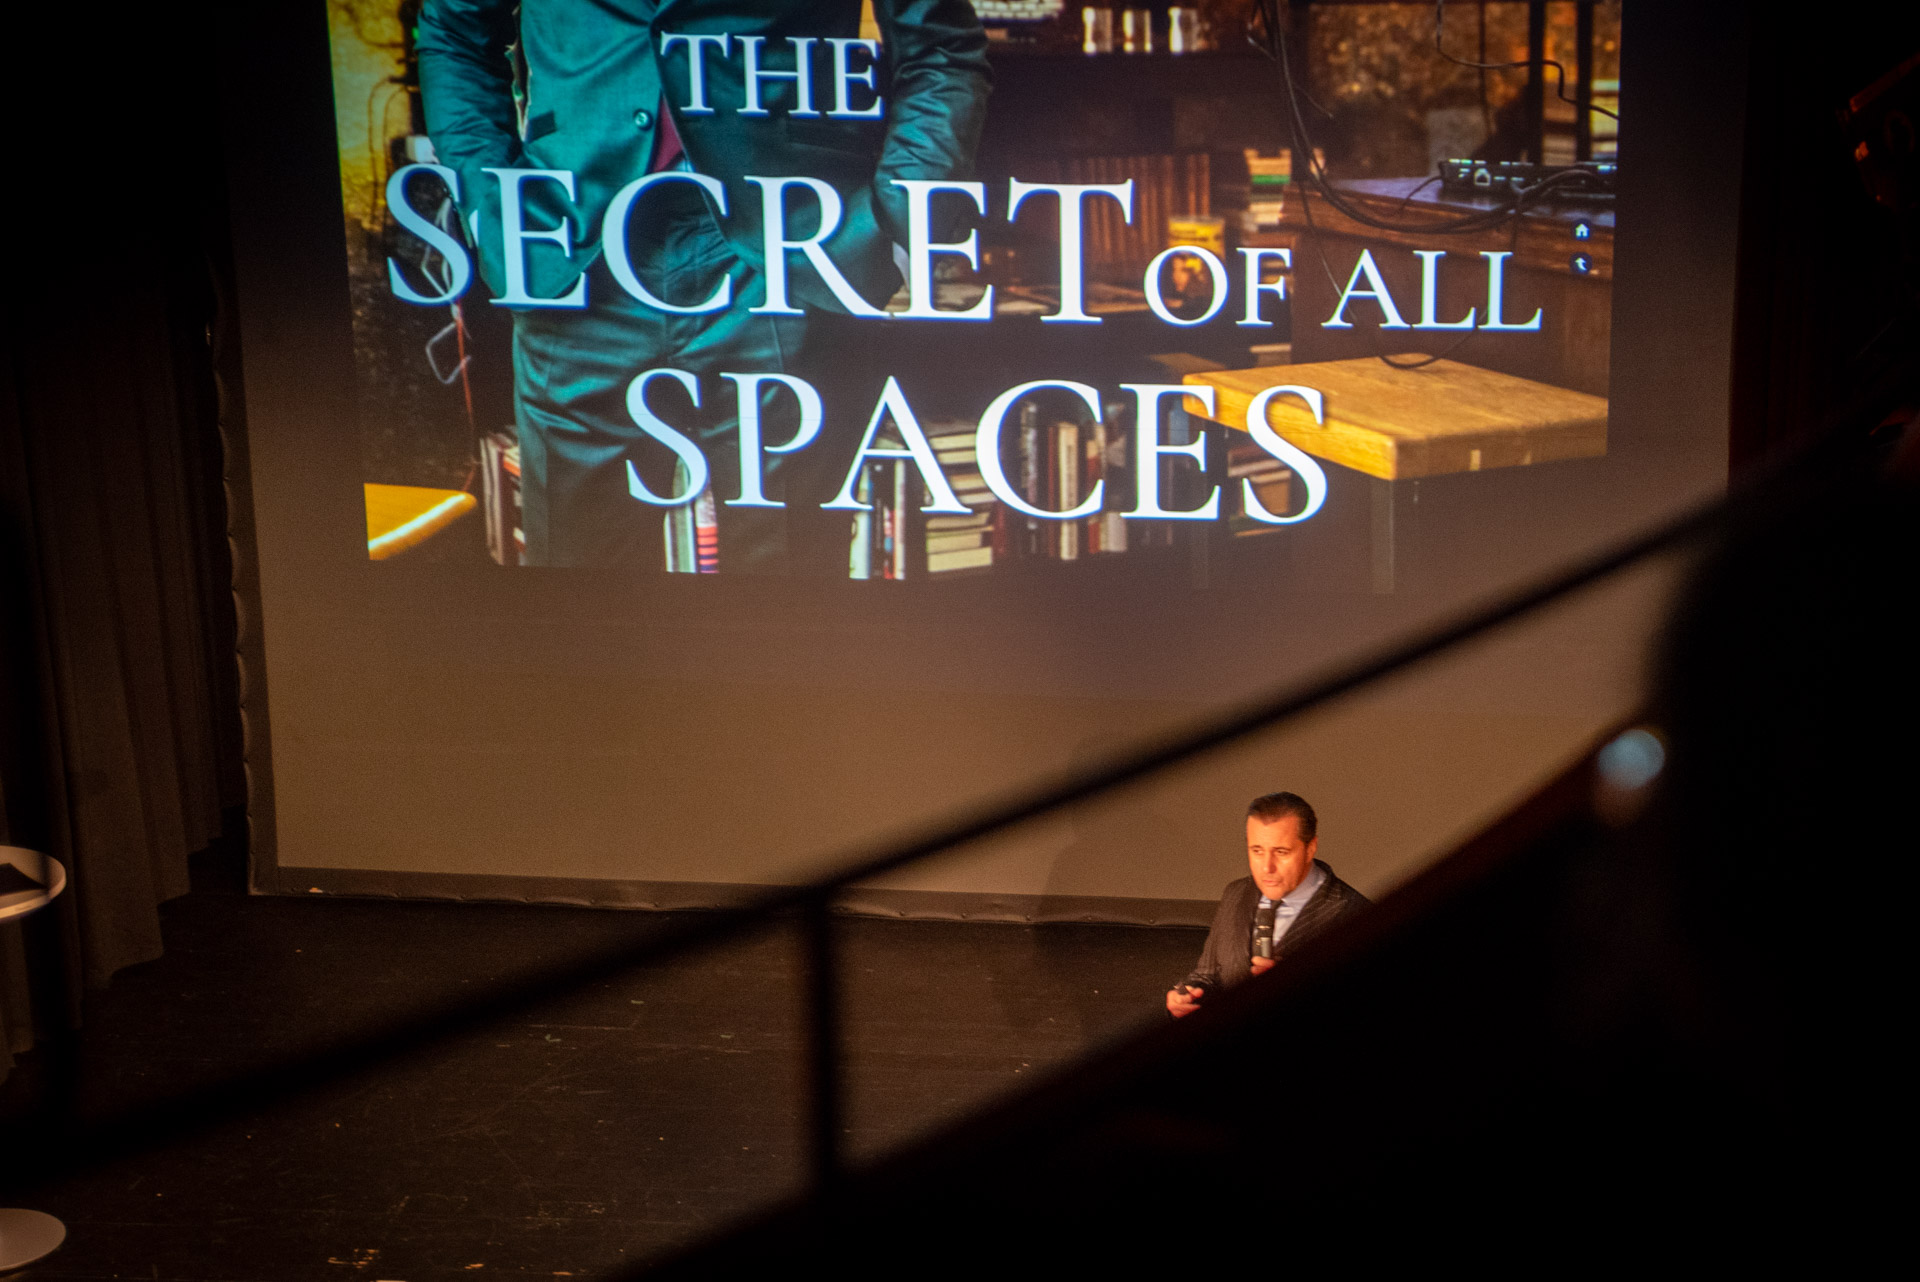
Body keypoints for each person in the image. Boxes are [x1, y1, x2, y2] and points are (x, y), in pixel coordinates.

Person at [415, 0, 991, 568]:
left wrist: (899, 223)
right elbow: (455, 32)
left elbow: (941, 46)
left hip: (788, 251)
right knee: (578, 590)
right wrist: (494, 207)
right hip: (575, 252)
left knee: (788, 596)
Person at [1166, 792, 1369, 1017]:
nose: (1266, 868)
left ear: (1310, 848)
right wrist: (1189, 996)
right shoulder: (1236, 893)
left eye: (1281, 852)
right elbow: (1207, 975)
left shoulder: (1356, 914)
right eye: (1257, 851)